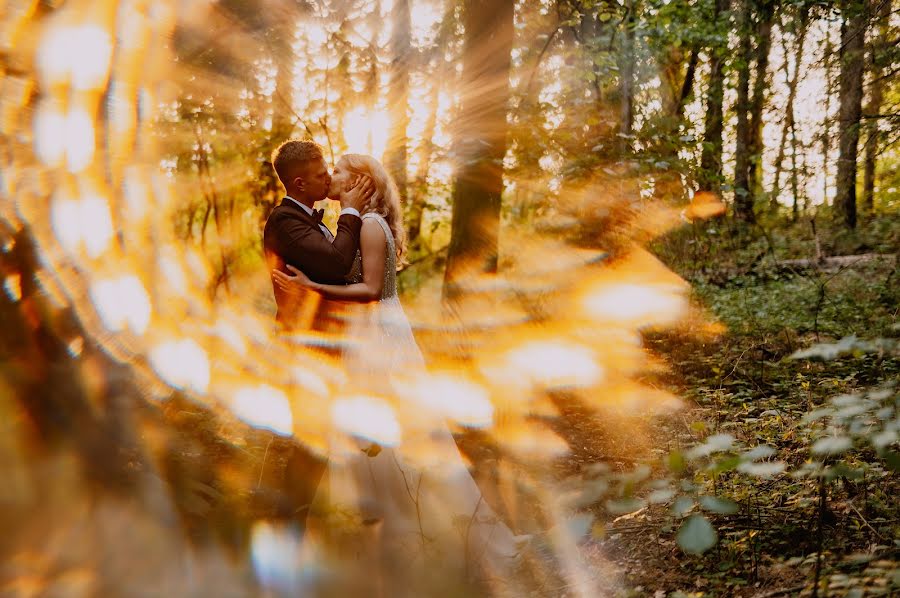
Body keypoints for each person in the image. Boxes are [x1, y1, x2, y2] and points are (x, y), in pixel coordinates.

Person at [272, 154, 523, 596]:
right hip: (366, 336)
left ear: (361, 182)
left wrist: (313, 289)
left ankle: (416, 536)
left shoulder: (367, 225)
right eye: (328, 172)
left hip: (375, 337)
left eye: (341, 173)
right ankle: (381, 536)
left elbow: (368, 290)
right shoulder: (356, 222)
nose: (332, 177)